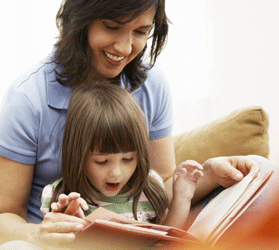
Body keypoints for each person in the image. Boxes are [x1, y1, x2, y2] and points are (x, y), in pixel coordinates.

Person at [0, 0, 275, 248]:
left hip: (136, 238)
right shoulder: (29, 97)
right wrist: (35, 235)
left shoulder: (151, 86)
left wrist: (211, 173)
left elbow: (160, 187)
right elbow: (5, 214)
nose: (124, 47)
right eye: (111, 27)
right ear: (80, 21)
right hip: (54, 241)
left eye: (141, 32)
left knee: (259, 166)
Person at [38, 83, 203, 248]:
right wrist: (65, 224)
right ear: (78, 156)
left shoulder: (149, 188)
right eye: (102, 161)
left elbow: (169, 240)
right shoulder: (59, 195)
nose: (116, 173)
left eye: (128, 159)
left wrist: (182, 199)